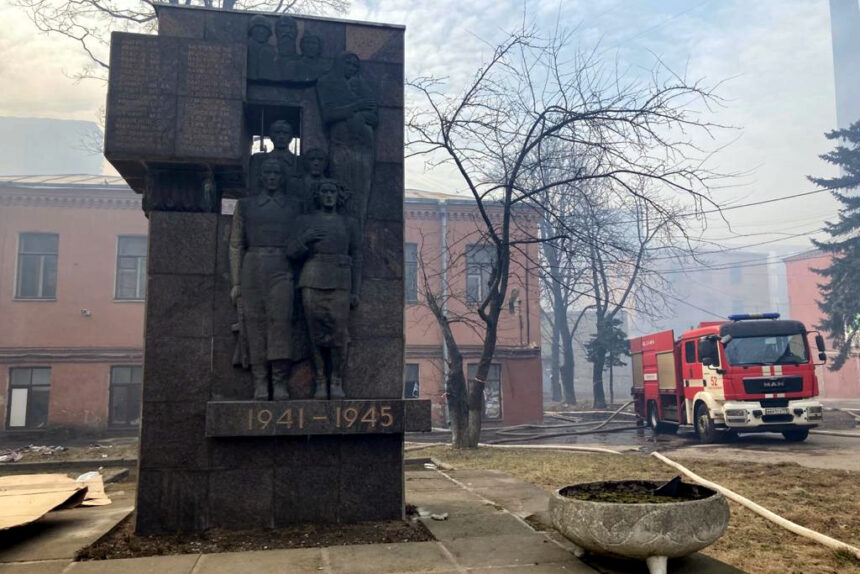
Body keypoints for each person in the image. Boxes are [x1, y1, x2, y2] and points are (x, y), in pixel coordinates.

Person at [229, 157, 314, 400]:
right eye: (268, 173)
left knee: (280, 324)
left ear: (283, 177)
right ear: (261, 177)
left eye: (277, 173)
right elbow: (236, 244)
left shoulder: (294, 206)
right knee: (254, 325)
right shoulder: (245, 206)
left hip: (282, 266)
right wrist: (236, 281)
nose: (273, 177)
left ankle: (279, 381)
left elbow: (301, 241)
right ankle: (259, 381)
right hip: (252, 266)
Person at [295, 179, 362, 399]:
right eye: (324, 191)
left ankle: (336, 379)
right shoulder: (306, 221)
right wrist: (305, 239)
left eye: (332, 191)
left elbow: (358, 256)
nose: (329, 195)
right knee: (315, 334)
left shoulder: (349, 223)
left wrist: (355, 290)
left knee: (338, 333)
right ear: (318, 195)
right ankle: (320, 379)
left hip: (340, 281)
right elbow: (291, 251)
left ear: (338, 195)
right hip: (312, 278)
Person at [316, 52, 378, 230]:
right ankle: (341, 235)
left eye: (355, 65)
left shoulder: (363, 86)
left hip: (365, 145)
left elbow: (375, 118)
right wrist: (357, 107)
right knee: (342, 193)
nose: (351, 67)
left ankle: (357, 236)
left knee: (362, 194)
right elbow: (328, 115)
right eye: (347, 63)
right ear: (337, 63)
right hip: (341, 143)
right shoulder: (326, 82)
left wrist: (360, 116)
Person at [249, 120, 300, 196]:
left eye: (285, 133)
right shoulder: (259, 159)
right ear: (271, 136)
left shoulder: (299, 161)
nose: (281, 136)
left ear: (291, 137)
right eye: (277, 133)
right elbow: (253, 188)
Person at [247, 15, 277, 80]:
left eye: (265, 28)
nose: (261, 31)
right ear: (251, 30)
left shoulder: (272, 51)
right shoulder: (245, 48)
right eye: (258, 27)